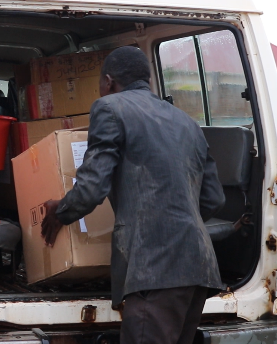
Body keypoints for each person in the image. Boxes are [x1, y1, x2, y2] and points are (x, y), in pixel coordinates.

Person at [40, 46, 225, 344]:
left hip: (155, 270)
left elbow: (92, 188)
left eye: (101, 84)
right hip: (199, 268)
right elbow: (214, 199)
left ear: (109, 82)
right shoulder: (187, 122)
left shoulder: (110, 108)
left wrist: (59, 211)